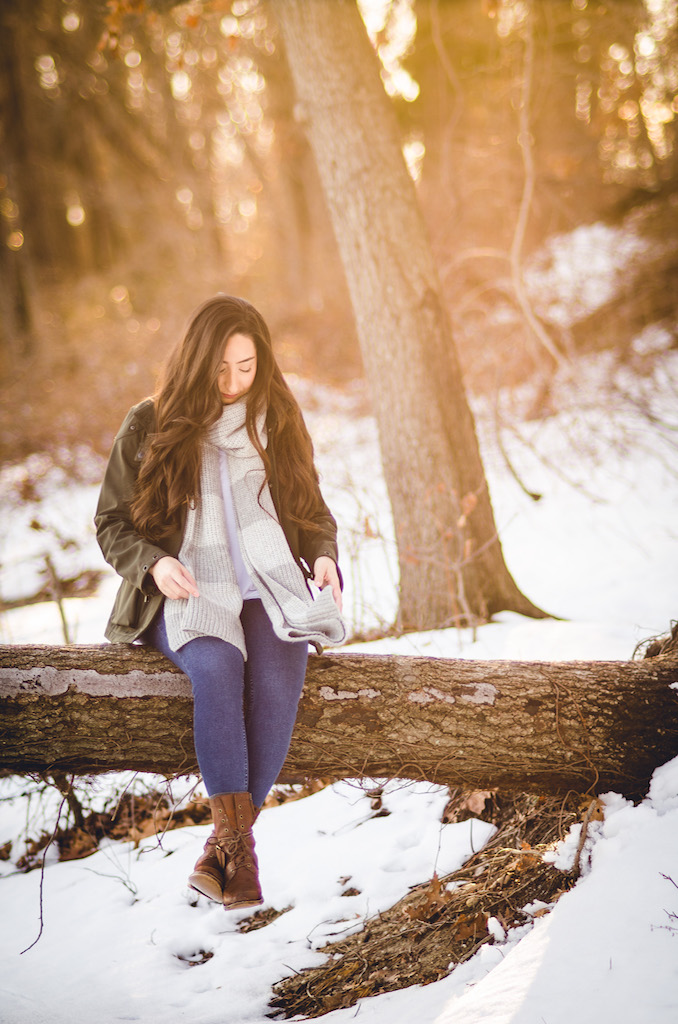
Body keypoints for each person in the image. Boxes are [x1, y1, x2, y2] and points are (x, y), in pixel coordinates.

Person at [95, 295, 345, 911]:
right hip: (185, 588)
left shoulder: (276, 418)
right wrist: (154, 564)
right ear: (197, 360)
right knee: (218, 667)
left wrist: (323, 555)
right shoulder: (150, 423)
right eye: (221, 368)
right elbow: (110, 523)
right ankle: (239, 857)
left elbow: (309, 509)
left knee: (280, 679)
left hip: (266, 585)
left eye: (247, 367)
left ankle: (224, 851)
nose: (234, 382)